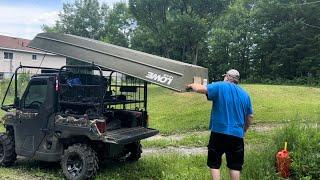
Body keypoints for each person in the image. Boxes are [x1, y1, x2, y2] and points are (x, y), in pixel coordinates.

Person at [187, 69, 253, 180]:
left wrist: (191, 84)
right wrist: (244, 130)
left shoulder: (220, 86)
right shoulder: (245, 95)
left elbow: (200, 88)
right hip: (237, 135)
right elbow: (250, 116)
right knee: (235, 166)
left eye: (224, 76)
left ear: (227, 77)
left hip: (219, 132)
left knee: (214, 163)